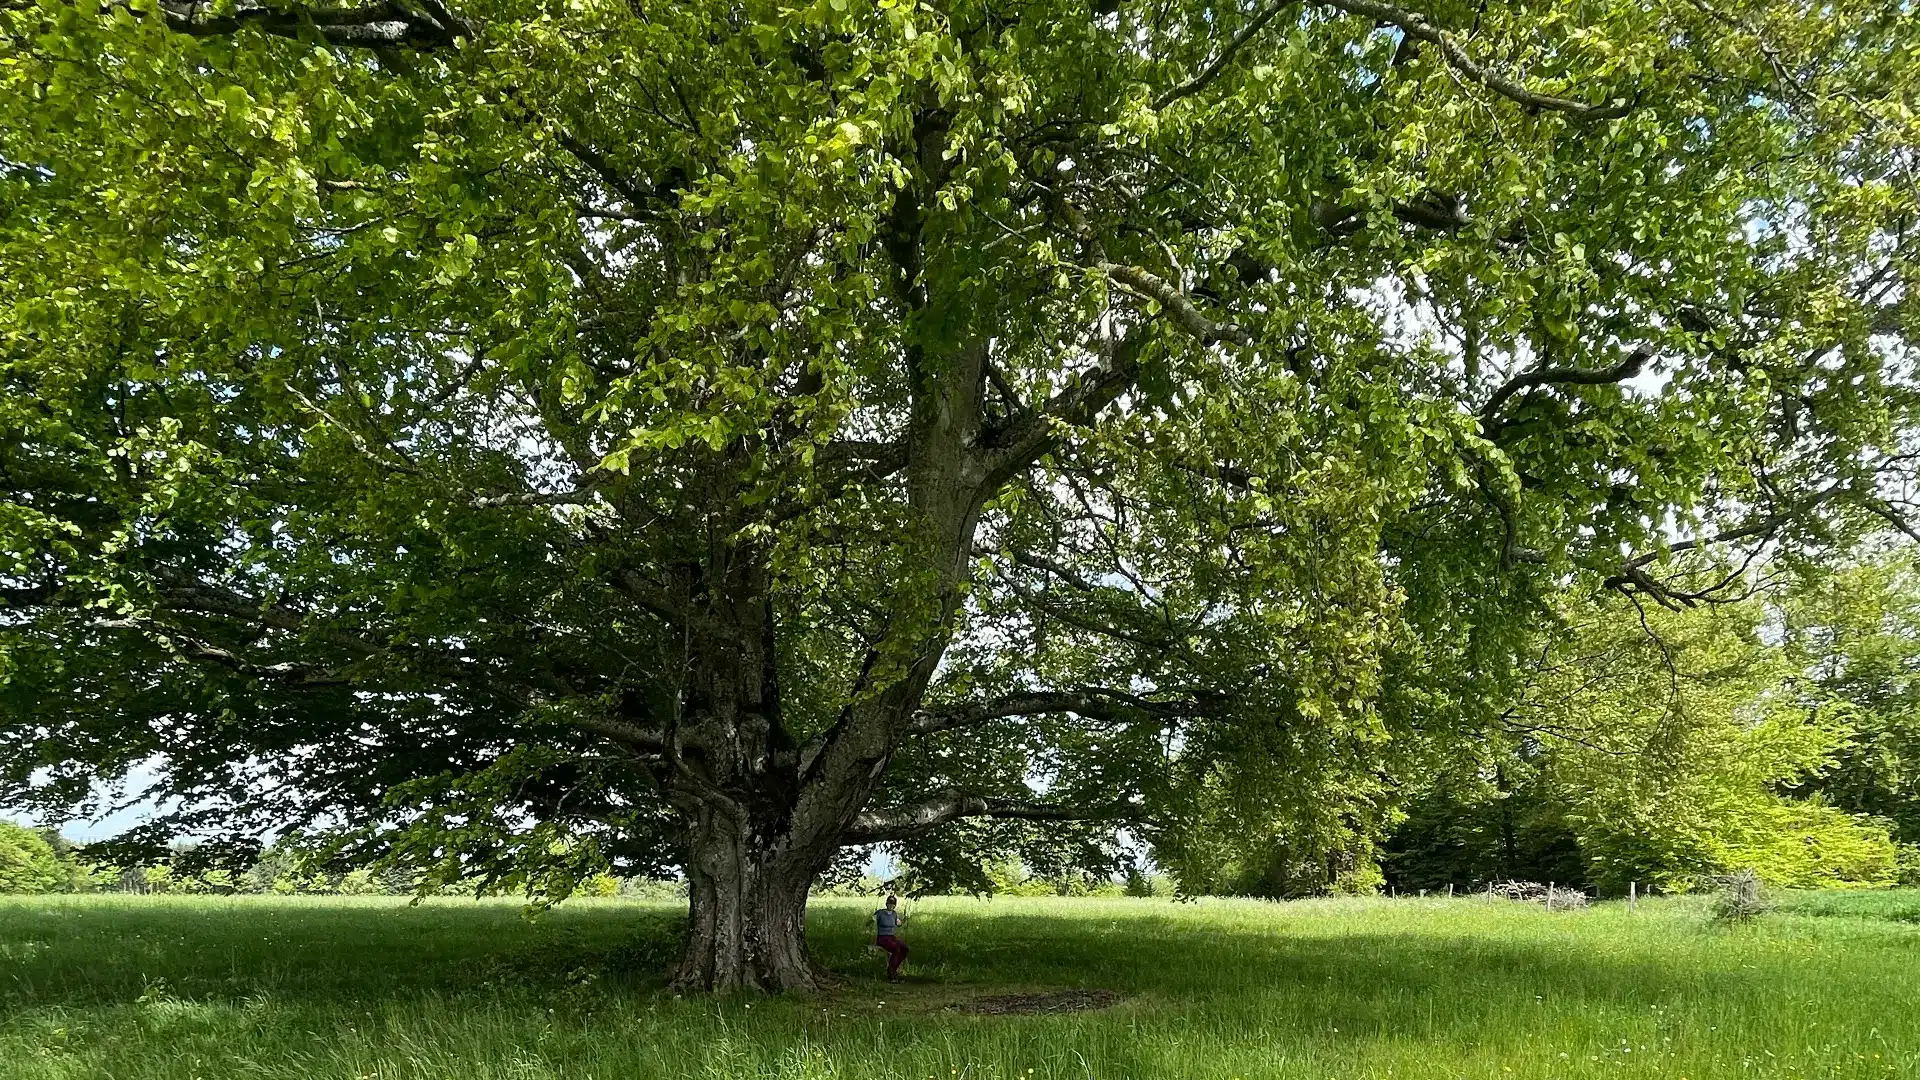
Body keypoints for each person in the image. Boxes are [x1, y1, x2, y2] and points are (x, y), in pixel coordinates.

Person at [873, 895, 908, 981]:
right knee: (896, 948)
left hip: (891, 937)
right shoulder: (880, 913)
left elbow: (898, 923)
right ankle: (891, 973)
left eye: (893, 903)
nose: (891, 905)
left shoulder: (894, 914)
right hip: (882, 938)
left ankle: (893, 968)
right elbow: (871, 920)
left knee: (905, 948)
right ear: (886, 903)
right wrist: (871, 920)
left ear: (895, 905)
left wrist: (904, 920)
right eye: (889, 903)